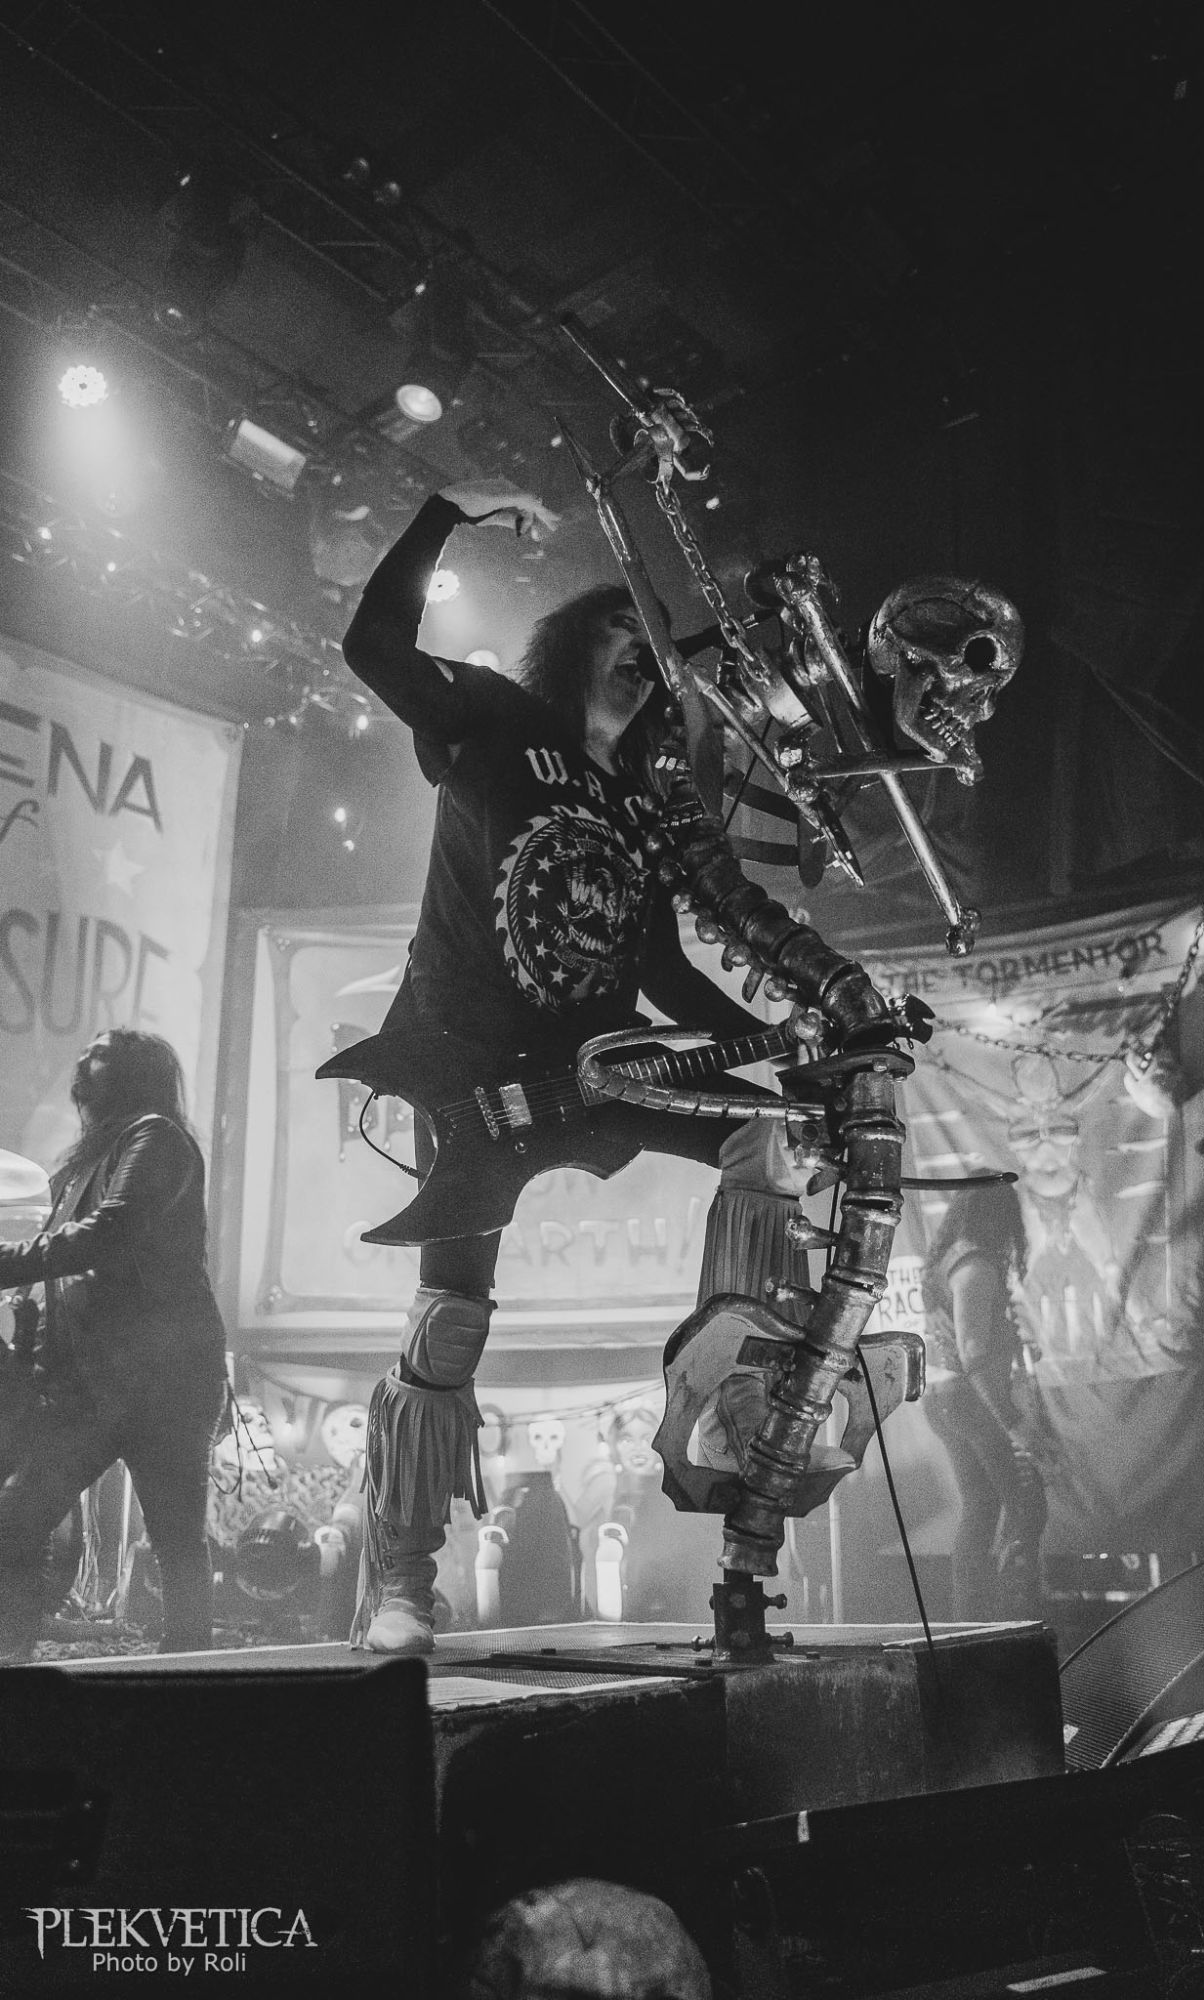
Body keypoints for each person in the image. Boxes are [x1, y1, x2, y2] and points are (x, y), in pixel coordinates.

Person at [340, 484, 789, 1654]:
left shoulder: (642, 802)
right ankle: (402, 1577)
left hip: (598, 1068)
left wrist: (784, 1038)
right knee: (449, 1323)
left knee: (762, 1133)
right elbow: (372, 646)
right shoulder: (494, 719)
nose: (643, 653)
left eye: (654, 645)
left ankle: (728, 1400)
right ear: (569, 645)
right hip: (472, 1067)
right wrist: (440, 513)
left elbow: (665, 974)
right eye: (620, 630)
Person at [0, 1030, 228, 1663]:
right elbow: (60, 1278)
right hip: (92, 1386)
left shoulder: (156, 1138)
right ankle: (11, 1663)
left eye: (99, 1053)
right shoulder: (87, 1162)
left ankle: (188, 1672)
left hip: (160, 1383)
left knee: (175, 1538)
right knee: (17, 1520)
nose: (83, 1061)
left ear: (133, 1072)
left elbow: (108, 1233)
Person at [919, 1180, 1047, 1621]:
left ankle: (973, 1619)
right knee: (1025, 1502)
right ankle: (1016, 1614)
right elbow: (972, 1351)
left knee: (981, 1507)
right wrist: (1012, 1421)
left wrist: (1009, 1337)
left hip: (949, 1397)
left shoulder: (954, 1258)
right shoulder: (974, 1263)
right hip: (969, 1398)